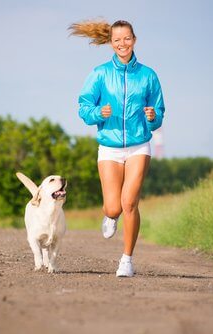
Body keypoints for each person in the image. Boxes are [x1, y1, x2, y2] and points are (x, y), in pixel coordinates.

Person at [69, 19, 165, 277]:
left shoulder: (148, 75)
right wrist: (99, 113)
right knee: (114, 207)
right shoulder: (100, 73)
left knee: (130, 203)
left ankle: (126, 260)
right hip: (109, 147)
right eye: (117, 40)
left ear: (134, 40)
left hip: (138, 146)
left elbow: (159, 114)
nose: (122, 44)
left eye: (127, 38)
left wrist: (152, 116)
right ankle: (110, 216)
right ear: (110, 43)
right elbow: (83, 106)